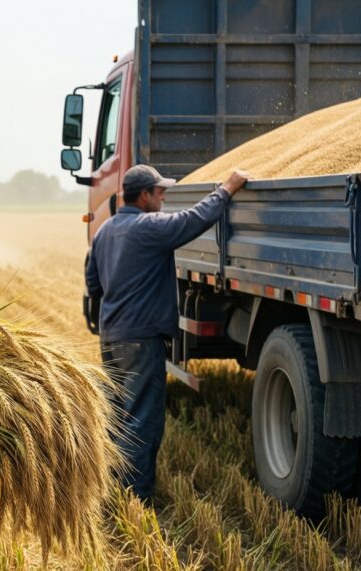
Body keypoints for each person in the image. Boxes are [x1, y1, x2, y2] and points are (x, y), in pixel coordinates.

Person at [85, 164, 250, 503]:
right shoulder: (149, 227)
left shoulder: (104, 232)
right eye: (160, 192)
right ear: (143, 195)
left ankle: (116, 487)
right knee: (142, 419)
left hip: (112, 337)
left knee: (120, 415)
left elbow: (93, 283)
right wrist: (227, 189)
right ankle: (136, 497)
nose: (163, 198)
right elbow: (193, 220)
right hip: (141, 339)